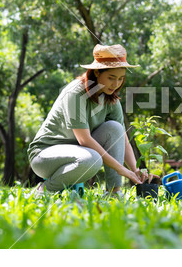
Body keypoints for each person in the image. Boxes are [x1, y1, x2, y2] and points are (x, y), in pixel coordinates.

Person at [28, 44, 151, 198]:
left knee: (115, 128)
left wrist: (134, 170)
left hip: (79, 152)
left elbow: (122, 139)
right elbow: (84, 140)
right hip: (45, 155)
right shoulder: (76, 94)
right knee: (92, 159)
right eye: (111, 78)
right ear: (97, 72)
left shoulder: (111, 99)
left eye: (120, 79)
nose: (116, 84)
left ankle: (113, 193)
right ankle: (43, 190)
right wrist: (121, 168)